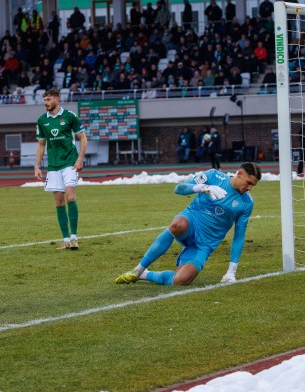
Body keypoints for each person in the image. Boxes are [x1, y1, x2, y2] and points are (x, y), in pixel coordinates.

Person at [115, 162, 262, 286]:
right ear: (240, 173)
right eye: (249, 183)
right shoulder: (212, 176)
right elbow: (178, 189)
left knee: (182, 280)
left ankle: (144, 275)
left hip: (204, 244)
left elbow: (239, 236)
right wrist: (202, 188)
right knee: (178, 224)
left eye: (252, 186)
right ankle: (138, 269)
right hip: (191, 224)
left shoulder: (247, 203)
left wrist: (231, 272)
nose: (249, 188)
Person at [34, 88, 88, 250]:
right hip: (53, 166)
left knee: (70, 197)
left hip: (70, 163)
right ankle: (65, 240)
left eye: (48, 99)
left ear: (57, 100)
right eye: (44, 100)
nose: (45, 103)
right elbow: (41, 144)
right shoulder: (42, 120)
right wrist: (37, 166)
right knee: (58, 202)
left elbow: (83, 138)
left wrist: (79, 159)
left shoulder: (70, 116)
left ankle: (74, 238)